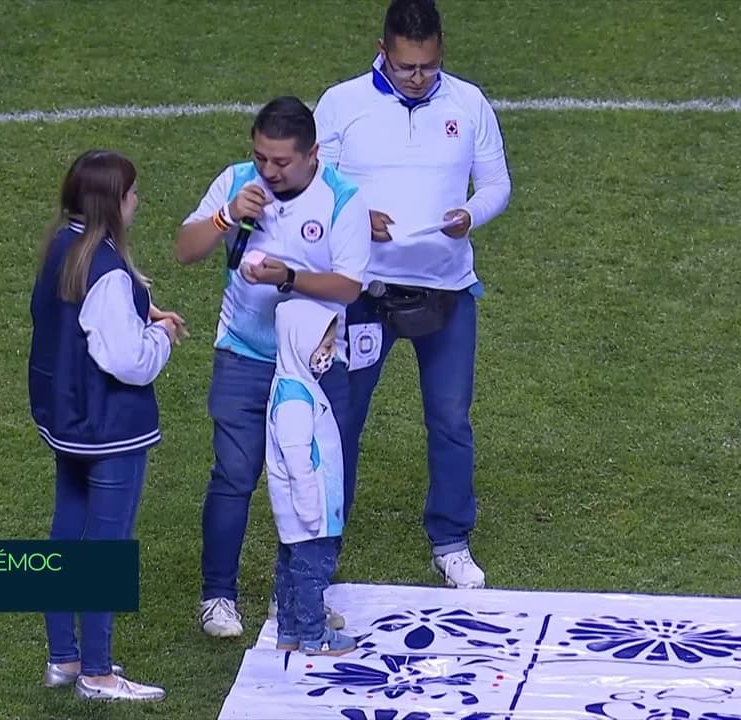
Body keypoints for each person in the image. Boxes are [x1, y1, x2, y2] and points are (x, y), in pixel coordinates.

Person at [313, 0, 513, 589]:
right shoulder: (340, 104)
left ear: (440, 51)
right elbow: (312, 189)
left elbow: (496, 183)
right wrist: (353, 217)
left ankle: (451, 541)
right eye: (405, 67)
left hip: (447, 289)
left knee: (450, 418)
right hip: (362, 292)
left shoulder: (468, 102)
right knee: (342, 419)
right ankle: (322, 548)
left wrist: (470, 215)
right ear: (383, 49)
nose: (416, 78)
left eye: (426, 67)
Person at [174, 96, 371, 637]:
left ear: (312, 155)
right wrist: (226, 215)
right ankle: (218, 596)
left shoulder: (342, 199)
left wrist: (288, 278)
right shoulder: (237, 183)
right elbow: (185, 250)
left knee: (315, 482)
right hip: (242, 355)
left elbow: (350, 285)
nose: (269, 170)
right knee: (234, 476)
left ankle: (298, 597)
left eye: (282, 161)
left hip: (315, 366)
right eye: (262, 157)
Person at [28, 149, 185, 702]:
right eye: (132, 193)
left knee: (67, 531)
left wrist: (143, 315)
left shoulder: (62, 248)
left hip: (65, 419)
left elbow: (73, 325)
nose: (138, 200)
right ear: (113, 203)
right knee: (105, 549)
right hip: (109, 427)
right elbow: (128, 360)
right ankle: (97, 672)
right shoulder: (106, 268)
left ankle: (63, 659)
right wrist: (162, 336)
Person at [266, 298, 357, 656]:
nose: (330, 354)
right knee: (311, 573)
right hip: (309, 511)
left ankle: (289, 629)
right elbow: (297, 460)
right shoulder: (294, 401)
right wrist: (309, 508)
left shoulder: (297, 385)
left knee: (290, 569)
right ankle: (313, 634)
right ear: (300, 344)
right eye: (326, 346)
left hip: (305, 509)